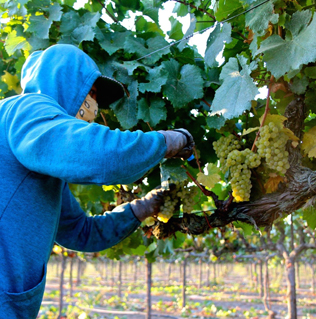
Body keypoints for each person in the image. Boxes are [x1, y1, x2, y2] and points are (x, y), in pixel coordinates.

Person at [0, 44, 194, 318]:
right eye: (89, 93)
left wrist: (139, 209)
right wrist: (168, 140)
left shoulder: (40, 163)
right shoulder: (27, 109)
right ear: (62, 80)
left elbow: (80, 232)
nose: (93, 106)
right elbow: (105, 158)